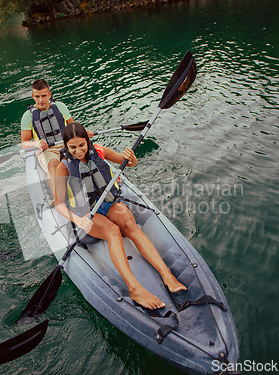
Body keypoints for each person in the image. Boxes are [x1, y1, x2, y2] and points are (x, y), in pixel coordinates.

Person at [54, 122, 187, 310]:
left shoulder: (99, 150)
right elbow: (58, 204)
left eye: (82, 145)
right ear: (66, 147)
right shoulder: (63, 167)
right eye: (73, 147)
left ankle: (166, 274)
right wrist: (77, 219)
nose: (78, 151)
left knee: (129, 223)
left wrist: (131, 158)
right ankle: (134, 288)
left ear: (87, 141)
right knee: (113, 231)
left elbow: (131, 163)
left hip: (107, 202)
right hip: (87, 212)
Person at [20, 79, 92, 200]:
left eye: (44, 96)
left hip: (66, 145)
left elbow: (73, 127)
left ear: (49, 94)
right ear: (33, 96)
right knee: (54, 164)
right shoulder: (28, 116)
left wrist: (84, 132)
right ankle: (59, 199)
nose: (41, 100)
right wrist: (37, 143)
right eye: (37, 96)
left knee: (88, 154)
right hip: (47, 149)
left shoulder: (60, 107)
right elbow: (24, 143)